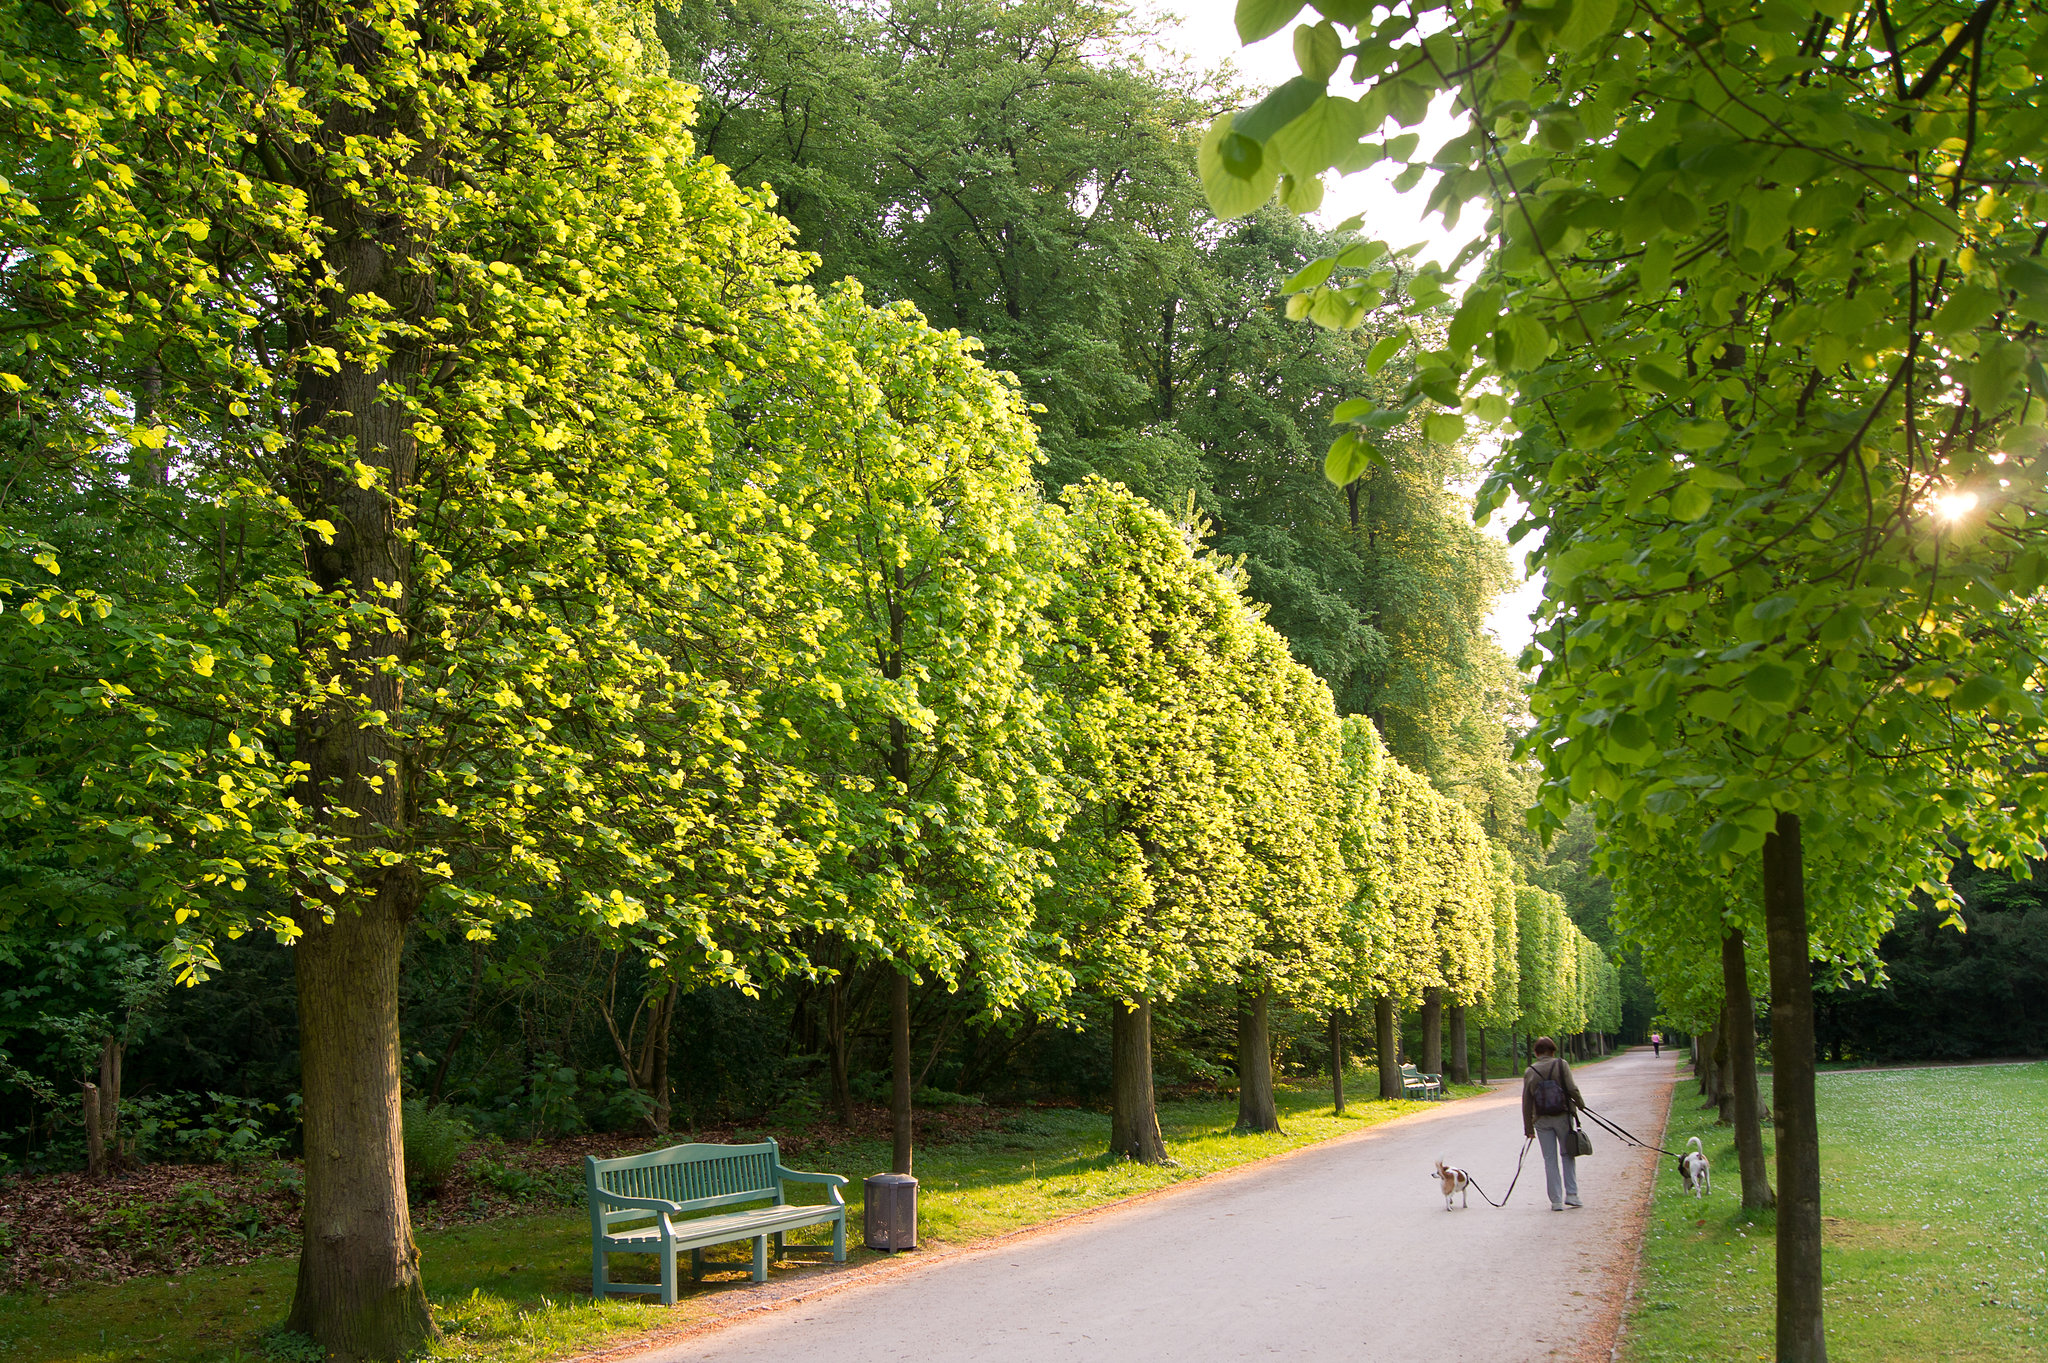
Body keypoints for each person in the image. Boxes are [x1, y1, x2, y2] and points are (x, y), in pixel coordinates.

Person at [1522, 1036, 1587, 1211]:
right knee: (1567, 1155)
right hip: (1562, 1116)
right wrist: (1580, 1104)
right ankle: (1572, 1195)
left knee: (1549, 1160)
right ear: (1553, 1050)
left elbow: (1527, 1102)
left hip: (1541, 1120)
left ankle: (1556, 1201)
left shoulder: (1530, 1071)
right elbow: (1572, 1088)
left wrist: (1528, 1128)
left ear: (1536, 1053)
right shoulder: (1561, 1064)